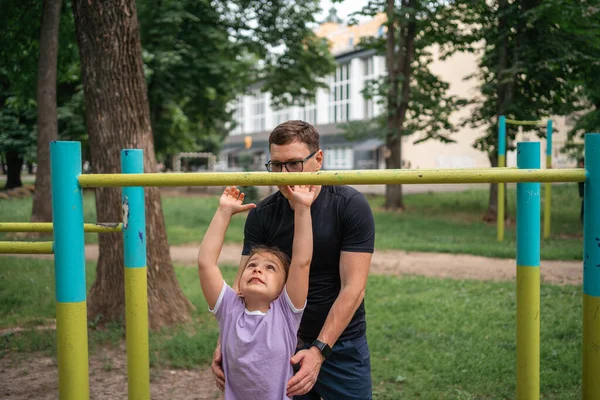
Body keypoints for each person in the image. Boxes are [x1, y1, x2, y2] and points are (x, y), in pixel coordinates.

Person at [211, 120, 376, 399]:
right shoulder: (262, 215)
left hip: (341, 343)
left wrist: (319, 350)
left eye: (294, 163)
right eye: (276, 165)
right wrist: (225, 340)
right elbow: (243, 288)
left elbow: (354, 287)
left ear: (318, 159)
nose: (284, 174)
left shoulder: (349, 205)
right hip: (278, 345)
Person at [197, 184, 317, 399]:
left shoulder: (286, 313)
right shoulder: (229, 308)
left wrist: (302, 209)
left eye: (270, 268)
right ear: (241, 281)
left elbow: (301, 262)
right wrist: (224, 211)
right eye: (251, 265)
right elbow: (206, 263)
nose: (258, 269)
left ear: (283, 288)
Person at [579, 157, 585, 223]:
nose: (580, 165)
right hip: (584, 197)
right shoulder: (580, 172)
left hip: (587, 197)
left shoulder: (584, 172)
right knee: (583, 215)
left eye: (581, 164)